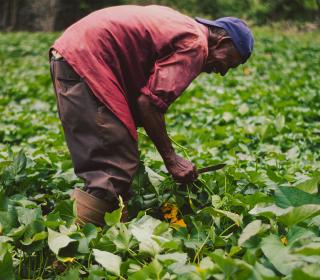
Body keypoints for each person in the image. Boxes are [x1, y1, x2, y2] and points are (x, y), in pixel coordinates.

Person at [49, 5, 254, 226]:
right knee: (113, 168)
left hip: (75, 54)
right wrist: (172, 159)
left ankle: (113, 231)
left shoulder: (183, 26)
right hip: (86, 61)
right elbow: (148, 104)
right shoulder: (196, 44)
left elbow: (144, 99)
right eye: (228, 63)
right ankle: (70, 247)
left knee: (120, 152)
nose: (223, 72)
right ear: (222, 42)